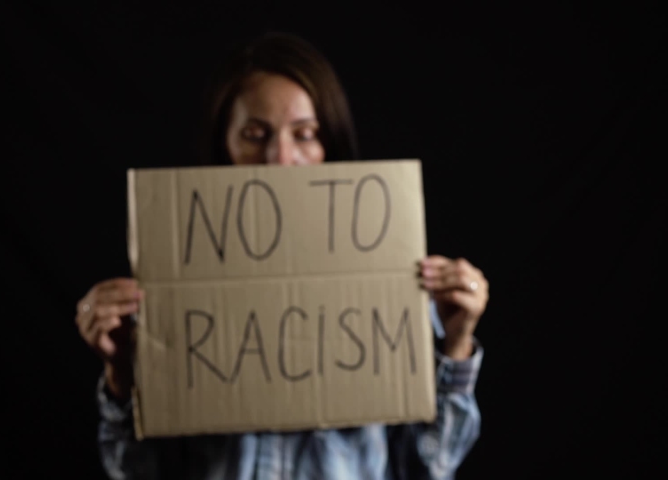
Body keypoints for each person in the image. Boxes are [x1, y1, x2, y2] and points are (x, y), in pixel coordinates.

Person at [75, 32, 489, 480]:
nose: (280, 158)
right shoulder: (169, 292)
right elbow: (136, 474)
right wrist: (121, 374)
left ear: (329, 145)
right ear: (224, 147)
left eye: (305, 135)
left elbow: (431, 465)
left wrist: (457, 343)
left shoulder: (394, 288)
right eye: (255, 135)